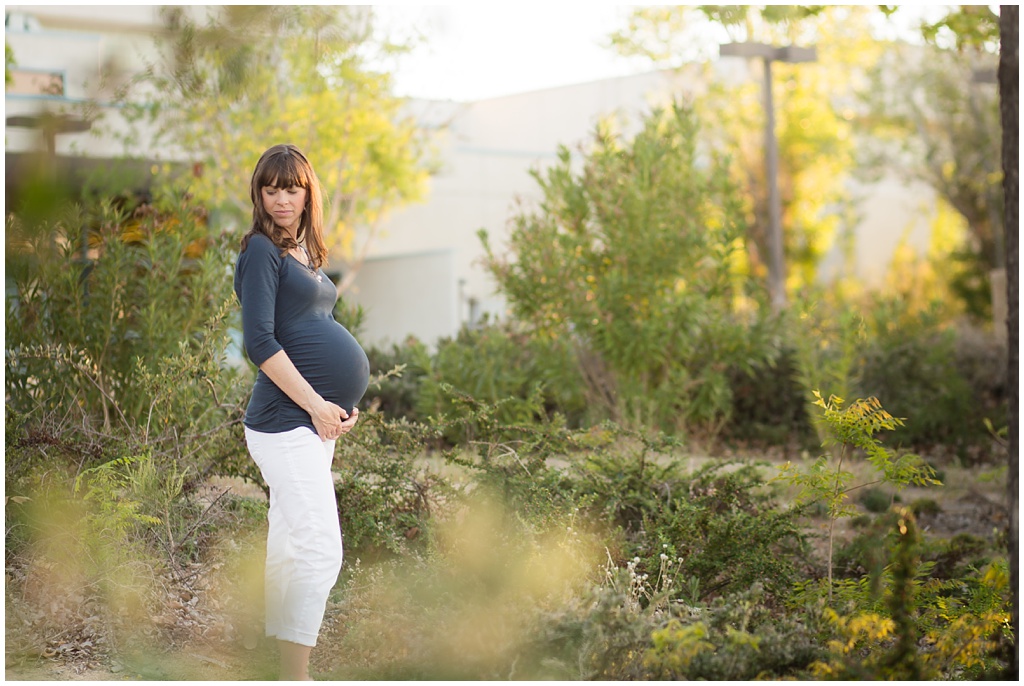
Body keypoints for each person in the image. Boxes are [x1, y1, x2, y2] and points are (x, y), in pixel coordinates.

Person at [234, 143, 369, 680]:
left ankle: (274, 665)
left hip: (312, 424)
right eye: (271, 189)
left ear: (308, 192)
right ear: (259, 194)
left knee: (289, 542)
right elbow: (260, 343)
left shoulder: (301, 254)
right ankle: (295, 674)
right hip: (285, 423)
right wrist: (317, 406)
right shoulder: (261, 252)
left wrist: (338, 411)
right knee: (320, 549)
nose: (282, 199)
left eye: (292, 189)